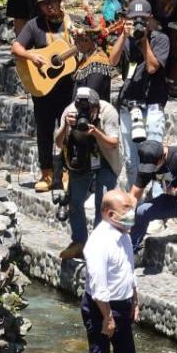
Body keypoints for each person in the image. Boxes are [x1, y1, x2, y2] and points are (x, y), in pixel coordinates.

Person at [79, 188, 146, 353]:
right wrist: (107, 316)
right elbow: (99, 285)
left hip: (123, 301)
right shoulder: (99, 242)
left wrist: (134, 301)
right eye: (126, 209)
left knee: (126, 348)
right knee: (100, 350)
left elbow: (129, 270)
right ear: (110, 214)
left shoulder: (123, 234)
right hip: (100, 305)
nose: (131, 213)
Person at [11, 0, 76, 192]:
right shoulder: (34, 25)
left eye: (53, 1)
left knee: (69, 131)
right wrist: (32, 56)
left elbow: (83, 47)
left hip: (68, 87)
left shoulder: (71, 23)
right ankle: (46, 174)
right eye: (45, 4)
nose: (50, 6)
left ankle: (67, 173)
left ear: (59, 0)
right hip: (43, 88)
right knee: (44, 132)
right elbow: (16, 47)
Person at [54, 87, 122, 260]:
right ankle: (79, 242)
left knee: (104, 203)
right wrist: (65, 127)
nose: (85, 112)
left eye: (89, 109)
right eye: (82, 109)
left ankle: (100, 245)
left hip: (106, 158)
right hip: (81, 159)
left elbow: (113, 143)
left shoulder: (108, 111)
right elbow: (59, 142)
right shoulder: (70, 112)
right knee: (75, 202)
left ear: (96, 107)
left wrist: (95, 131)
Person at [109, 0, 170, 187]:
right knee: (130, 159)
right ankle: (134, 203)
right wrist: (123, 36)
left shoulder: (161, 39)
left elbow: (152, 68)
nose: (138, 23)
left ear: (150, 18)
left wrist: (143, 41)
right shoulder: (126, 40)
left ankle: (156, 204)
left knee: (154, 156)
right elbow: (112, 61)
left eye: (142, 19)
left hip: (152, 106)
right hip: (129, 105)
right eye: (134, 19)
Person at [70, 26, 119, 103]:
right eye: (75, 40)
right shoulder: (86, 58)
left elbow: (91, 92)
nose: (76, 44)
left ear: (90, 41)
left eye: (80, 40)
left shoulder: (98, 62)